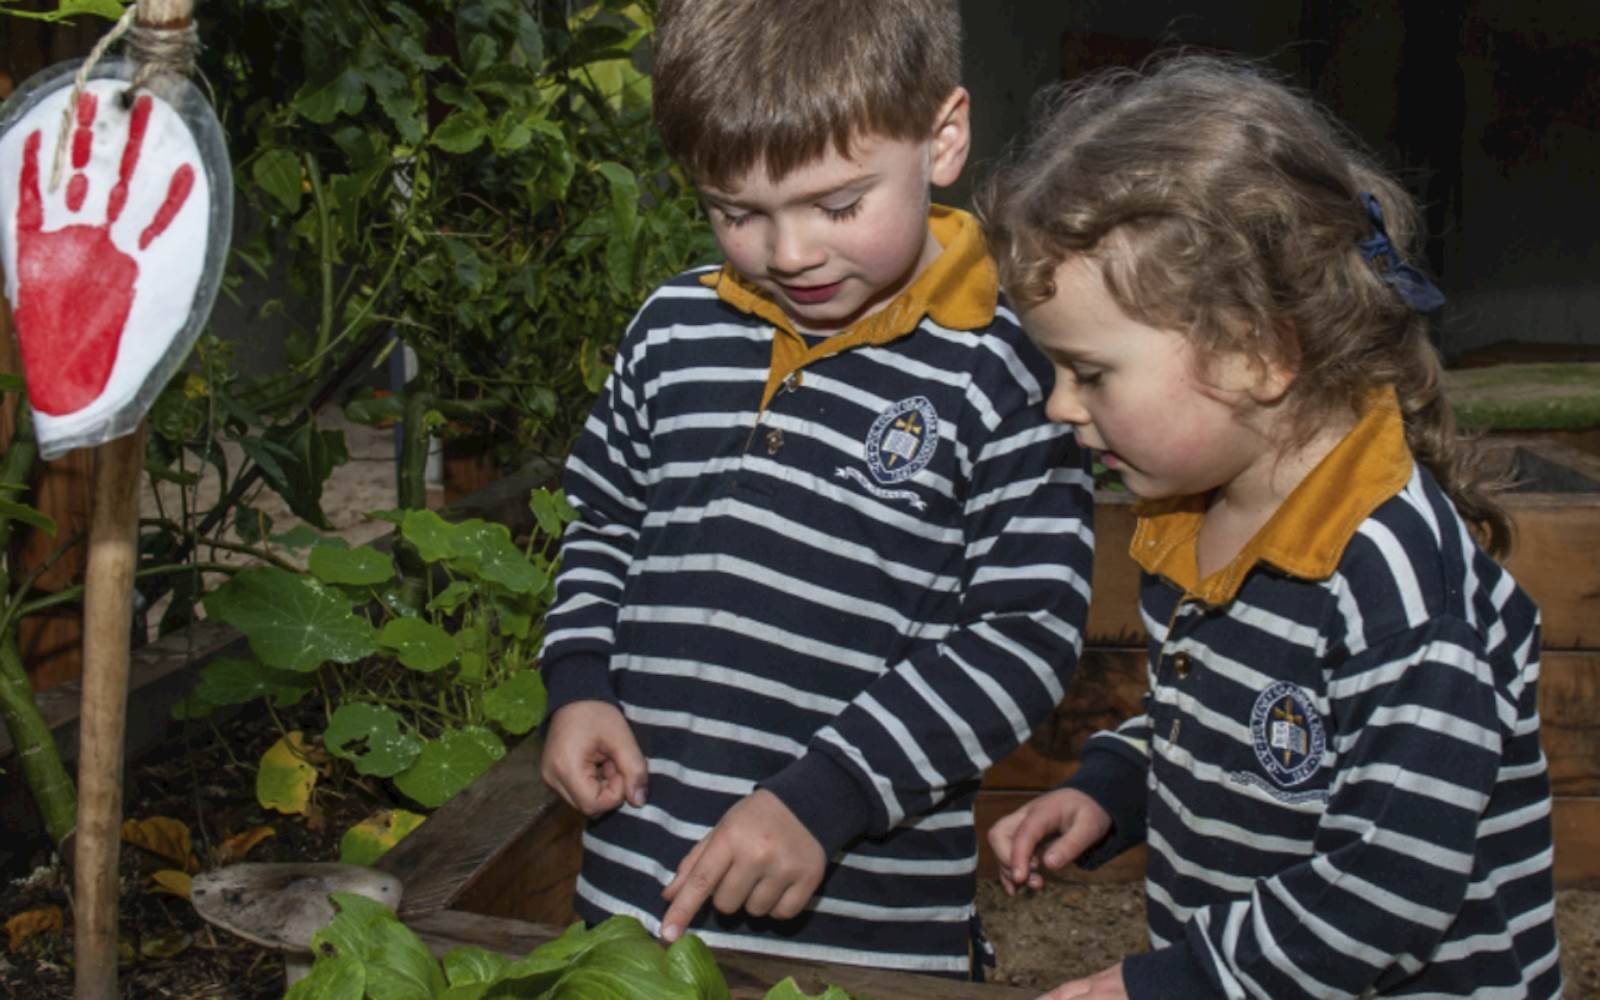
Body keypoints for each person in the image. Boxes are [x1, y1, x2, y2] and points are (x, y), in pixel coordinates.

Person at [978, 56, 1562, 1000]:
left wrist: (1163, 985)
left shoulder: (1397, 590)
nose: (1057, 406)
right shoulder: (1191, 520)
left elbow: (1387, 889)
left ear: (1255, 353)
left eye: (1089, 372)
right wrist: (1110, 790)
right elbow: (1214, 727)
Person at [536, 0, 1096, 977]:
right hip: (634, 888)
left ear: (943, 137)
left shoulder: (1012, 368)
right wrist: (578, 680)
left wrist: (825, 796)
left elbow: (1022, 632)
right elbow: (605, 521)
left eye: (838, 206)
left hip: (861, 920)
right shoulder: (673, 329)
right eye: (736, 212)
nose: (788, 254)